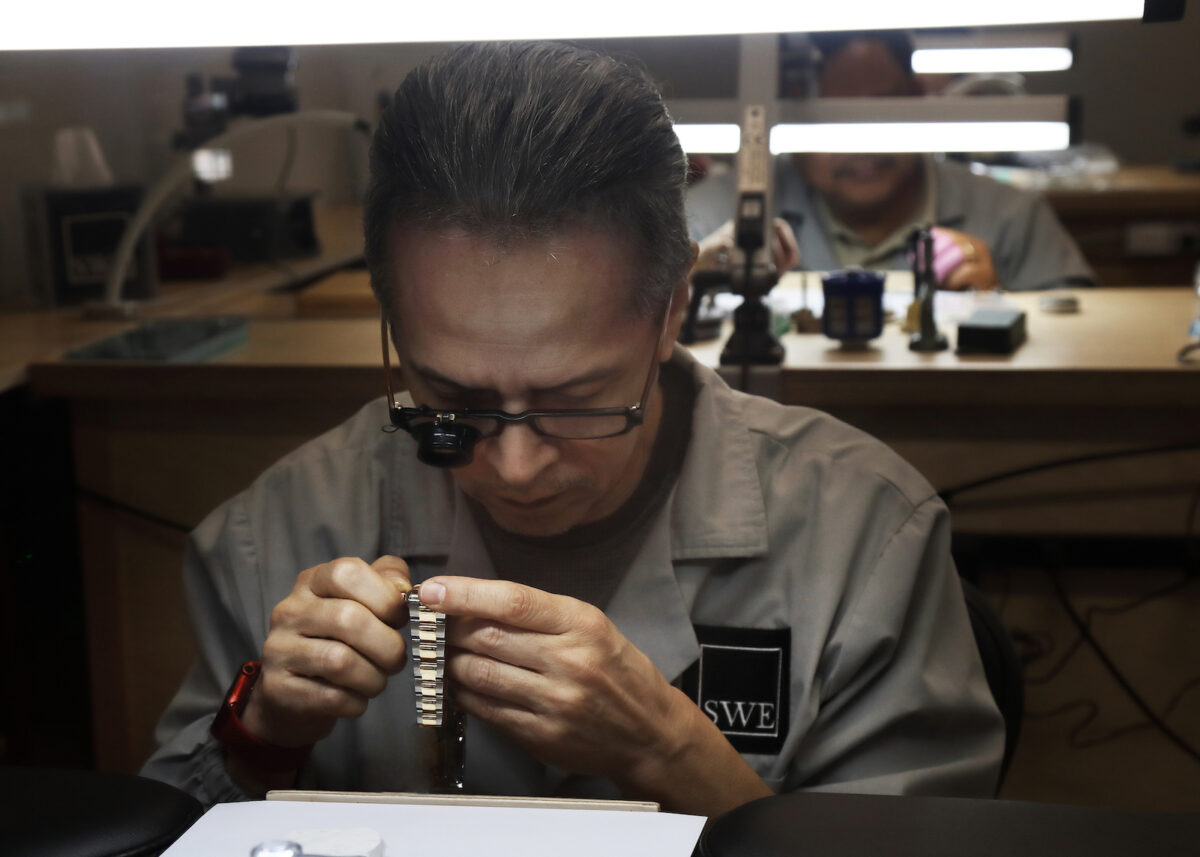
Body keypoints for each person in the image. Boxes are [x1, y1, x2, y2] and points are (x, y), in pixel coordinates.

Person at [142, 41, 1004, 816]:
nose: (514, 464)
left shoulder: (866, 538)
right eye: (451, 397)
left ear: (671, 312)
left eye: (578, 398)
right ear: (392, 325)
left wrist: (667, 749)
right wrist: (266, 729)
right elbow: (166, 828)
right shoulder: (276, 534)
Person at [687, 31, 1097, 291]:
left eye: (880, 112)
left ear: (918, 100)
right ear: (787, 117)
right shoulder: (723, 210)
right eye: (834, 119)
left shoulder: (1009, 218)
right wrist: (694, 272)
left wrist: (1000, 307)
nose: (862, 145)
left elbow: (1088, 342)